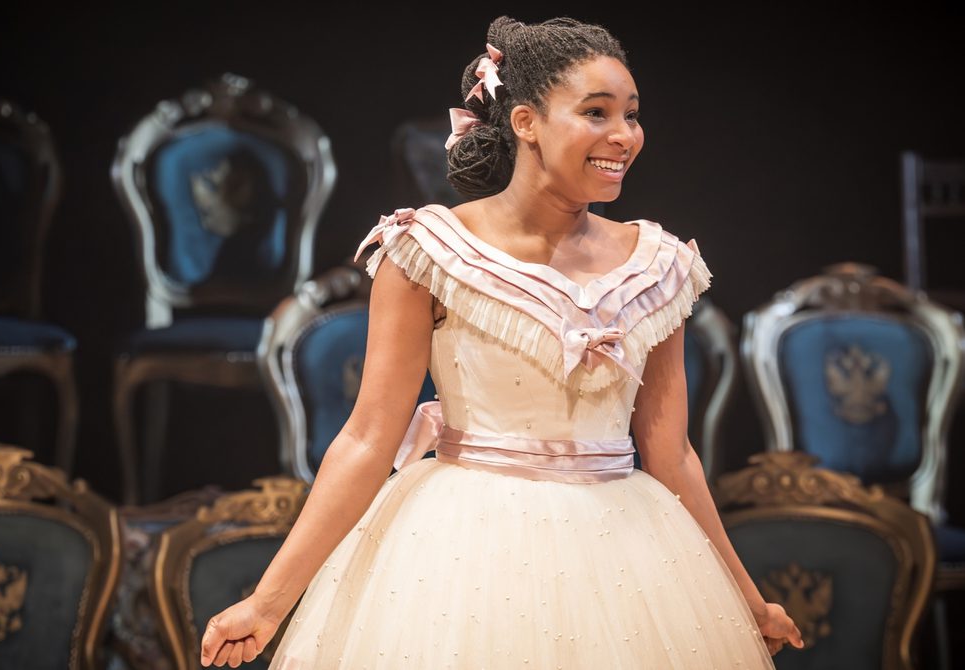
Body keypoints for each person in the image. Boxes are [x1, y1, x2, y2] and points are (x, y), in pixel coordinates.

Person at [200, 16, 804, 668]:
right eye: (595, 112)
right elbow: (369, 438)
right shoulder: (428, 252)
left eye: (630, 115)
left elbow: (671, 451)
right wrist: (267, 604)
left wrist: (745, 598)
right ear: (525, 122)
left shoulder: (654, 265)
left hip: (625, 551)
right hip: (464, 550)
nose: (622, 136)